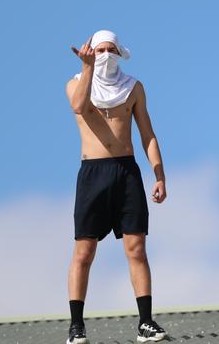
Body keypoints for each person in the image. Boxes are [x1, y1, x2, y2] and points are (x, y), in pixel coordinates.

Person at [64, 29, 168, 344]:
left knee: (136, 249)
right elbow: (80, 107)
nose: (106, 55)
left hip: (127, 172)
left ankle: (146, 322)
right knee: (84, 251)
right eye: (100, 50)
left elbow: (147, 133)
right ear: (90, 52)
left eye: (111, 50)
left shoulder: (133, 87)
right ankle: (77, 325)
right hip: (93, 173)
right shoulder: (75, 83)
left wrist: (159, 175)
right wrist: (87, 68)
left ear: (120, 52)